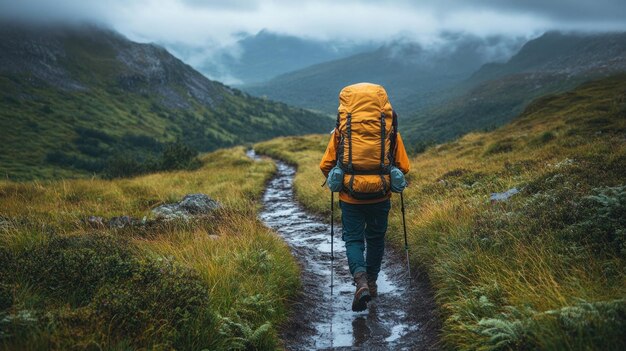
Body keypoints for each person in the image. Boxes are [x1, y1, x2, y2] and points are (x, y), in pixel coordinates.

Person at [320, 83, 410, 312]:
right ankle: (372, 281)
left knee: (353, 239)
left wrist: (339, 178)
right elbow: (404, 166)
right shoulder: (388, 128)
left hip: (350, 196)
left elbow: (326, 164)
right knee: (376, 238)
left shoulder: (344, 129)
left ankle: (360, 281)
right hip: (381, 194)